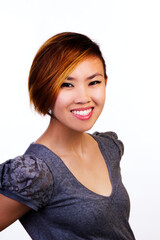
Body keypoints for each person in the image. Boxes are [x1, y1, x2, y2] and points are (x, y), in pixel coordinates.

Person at [0, 32, 135, 240]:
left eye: (94, 82)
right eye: (67, 84)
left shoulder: (109, 147)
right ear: (45, 88)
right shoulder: (36, 174)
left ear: (105, 83)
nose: (83, 97)